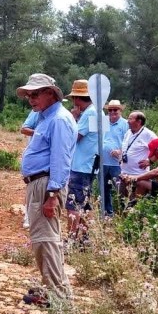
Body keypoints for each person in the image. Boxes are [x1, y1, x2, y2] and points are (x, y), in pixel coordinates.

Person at [17, 73, 75, 307]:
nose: (31, 99)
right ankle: (55, 290)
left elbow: (61, 158)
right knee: (45, 239)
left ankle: (57, 297)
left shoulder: (59, 119)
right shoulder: (46, 117)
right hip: (39, 183)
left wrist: (52, 195)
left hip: (46, 184)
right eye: (29, 94)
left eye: (36, 93)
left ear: (51, 93)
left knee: (45, 240)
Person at [66, 79, 97, 240]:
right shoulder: (96, 111)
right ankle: (85, 238)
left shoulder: (88, 114)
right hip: (90, 165)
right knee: (85, 204)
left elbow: (75, 136)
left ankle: (71, 239)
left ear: (77, 99)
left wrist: (72, 118)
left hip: (80, 166)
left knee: (73, 204)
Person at [111, 111, 158, 201]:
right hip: (124, 175)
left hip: (139, 176)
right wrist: (119, 152)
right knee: (122, 201)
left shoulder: (148, 134)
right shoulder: (128, 132)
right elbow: (127, 149)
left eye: (130, 119)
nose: (127, 121)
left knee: (135, 203)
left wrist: (150, 161)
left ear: (139, 121)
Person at [98, 100, 129, 216]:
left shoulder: (125, 124)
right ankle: (107, 213)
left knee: (120, 190)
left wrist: (120, 151)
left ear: (120, 110)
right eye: (110, 110)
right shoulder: (103, 121)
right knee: (104, 189)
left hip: (117, 163)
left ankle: (124, 213)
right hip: (102, 162)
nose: (112, 112)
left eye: (115, 109)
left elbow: (129, 142)